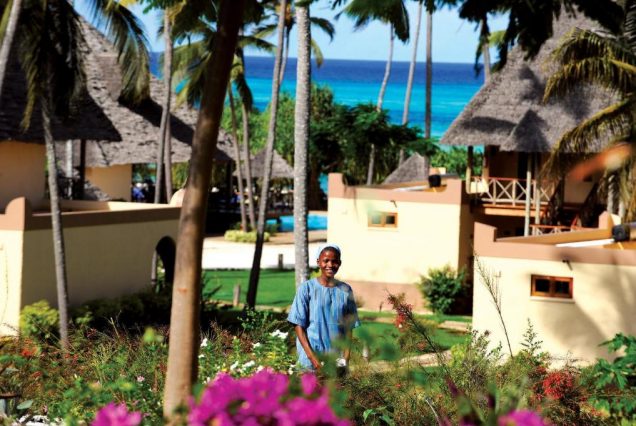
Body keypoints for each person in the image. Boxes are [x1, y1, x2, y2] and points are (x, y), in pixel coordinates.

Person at [287, 244, 360, 371]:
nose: (330, 265)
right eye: (326, 260)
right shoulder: (307, 288)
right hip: (309, 360)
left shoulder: (345, 290)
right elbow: (298, 325)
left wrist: (346, 358)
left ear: (339, 263)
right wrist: (313, 359)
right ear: (318, 262)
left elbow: (349, 327)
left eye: (334, 261)